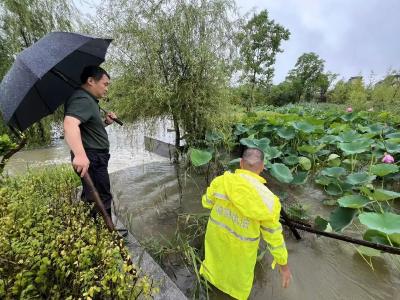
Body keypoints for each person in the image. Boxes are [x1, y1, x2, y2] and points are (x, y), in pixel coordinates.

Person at [200, 148, 291, 300]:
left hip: (216, 247)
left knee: (212, 277)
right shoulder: (269, 201)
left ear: (241, 163)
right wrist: (284, 266)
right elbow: (274, 239)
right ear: (262, 167)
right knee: (237, 289)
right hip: (241, 258)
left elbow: (206, 203)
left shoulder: (221, 182)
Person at [63, 65, 116, 218]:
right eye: (105, 84)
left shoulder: (88, 99)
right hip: (92, 157)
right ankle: (106, 235)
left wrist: (105, 122)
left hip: (94, 157)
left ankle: (98, 233)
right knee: (100, 197)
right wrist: (80, 155)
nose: (107, 89)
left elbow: (89, 128)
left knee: (94, 196)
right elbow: (70, 123)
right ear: (91, 81)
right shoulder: (82, 99)